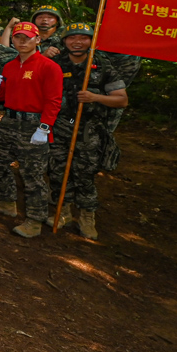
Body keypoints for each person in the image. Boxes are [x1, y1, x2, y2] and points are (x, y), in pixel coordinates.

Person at [0, 21, 64, 238]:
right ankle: (7, 201)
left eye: (27, 37)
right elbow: (4, 97)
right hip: (9, 121)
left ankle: (35, 220)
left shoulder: (49, 67)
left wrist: (44, 128)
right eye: (18, 37)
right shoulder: (10, 66)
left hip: (34, 124)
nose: (22, 41)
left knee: (32, 174)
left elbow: (54, 101)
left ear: (37, 40)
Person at [49, 23, 128, 239]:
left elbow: (122, 100)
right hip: (60, 126)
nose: (77, 42)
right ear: (64, 41)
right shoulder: (55, 63)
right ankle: (62, 211)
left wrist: (95, 98)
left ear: (91, 41)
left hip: (88, 129)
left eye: (83, 38)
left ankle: (86, 216)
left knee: (85, 173)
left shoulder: (102, 65)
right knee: (57, 170)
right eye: (72, 38)